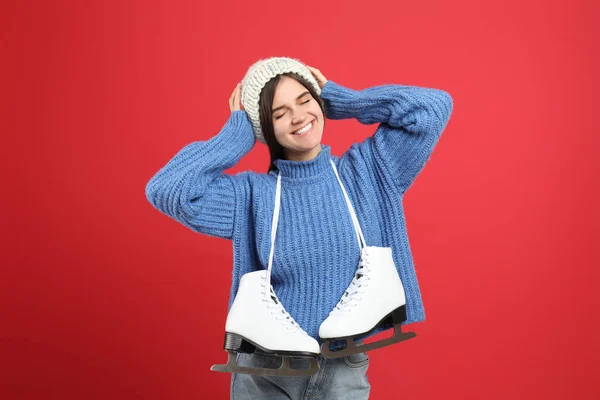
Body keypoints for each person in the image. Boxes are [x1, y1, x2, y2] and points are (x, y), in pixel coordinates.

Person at [145, 57, 453, 399]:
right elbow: (167, 190)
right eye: (279, 114)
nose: (298, 117)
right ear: (265, 127)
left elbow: (432, 108)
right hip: (266, 374)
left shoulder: (370, 171)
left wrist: (345, 100)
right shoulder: (251, 196)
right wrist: (233, 137)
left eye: (305, 100)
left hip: (343, 370)